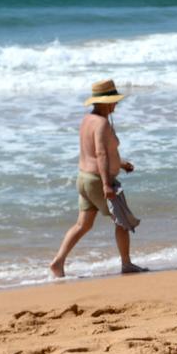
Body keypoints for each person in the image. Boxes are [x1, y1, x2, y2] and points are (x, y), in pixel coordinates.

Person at [50, 79, 148, 277]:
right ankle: (127, 264)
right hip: (98, 181)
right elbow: (101, 154)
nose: (116, 104)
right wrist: (106, 184)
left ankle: (58, 262)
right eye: (114, 100)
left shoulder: (87, 120)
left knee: (82, 224)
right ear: (104, 101)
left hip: (84, 179)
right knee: (122, 223)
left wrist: (121, 163)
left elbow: (95, 152)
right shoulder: (102, 123)